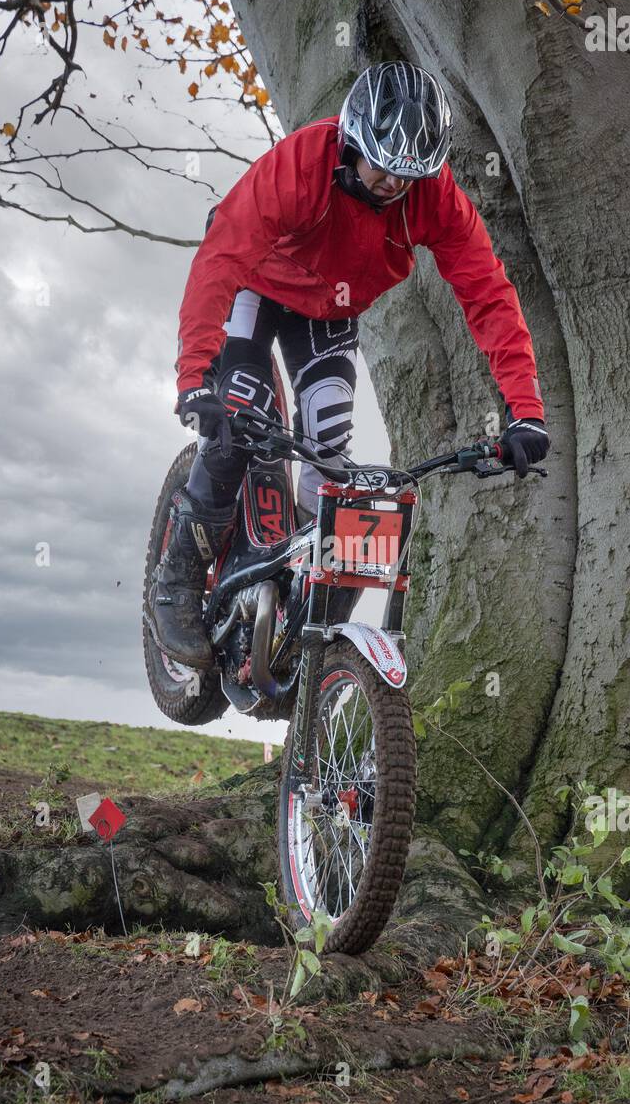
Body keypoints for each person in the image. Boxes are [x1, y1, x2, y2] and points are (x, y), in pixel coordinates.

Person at [149, 60, 549, 670]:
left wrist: (525, 412)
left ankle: (308, 619)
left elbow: (489, 296)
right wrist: (194, 377)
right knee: (238, 412)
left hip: (329, 308)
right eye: (382, 168)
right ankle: (176, 578)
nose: (393, 186)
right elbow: (221, 260)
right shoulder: (302, 164)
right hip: (256, 283)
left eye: (408, 176)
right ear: (353, 141)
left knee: (331, 449)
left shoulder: (434, 196)